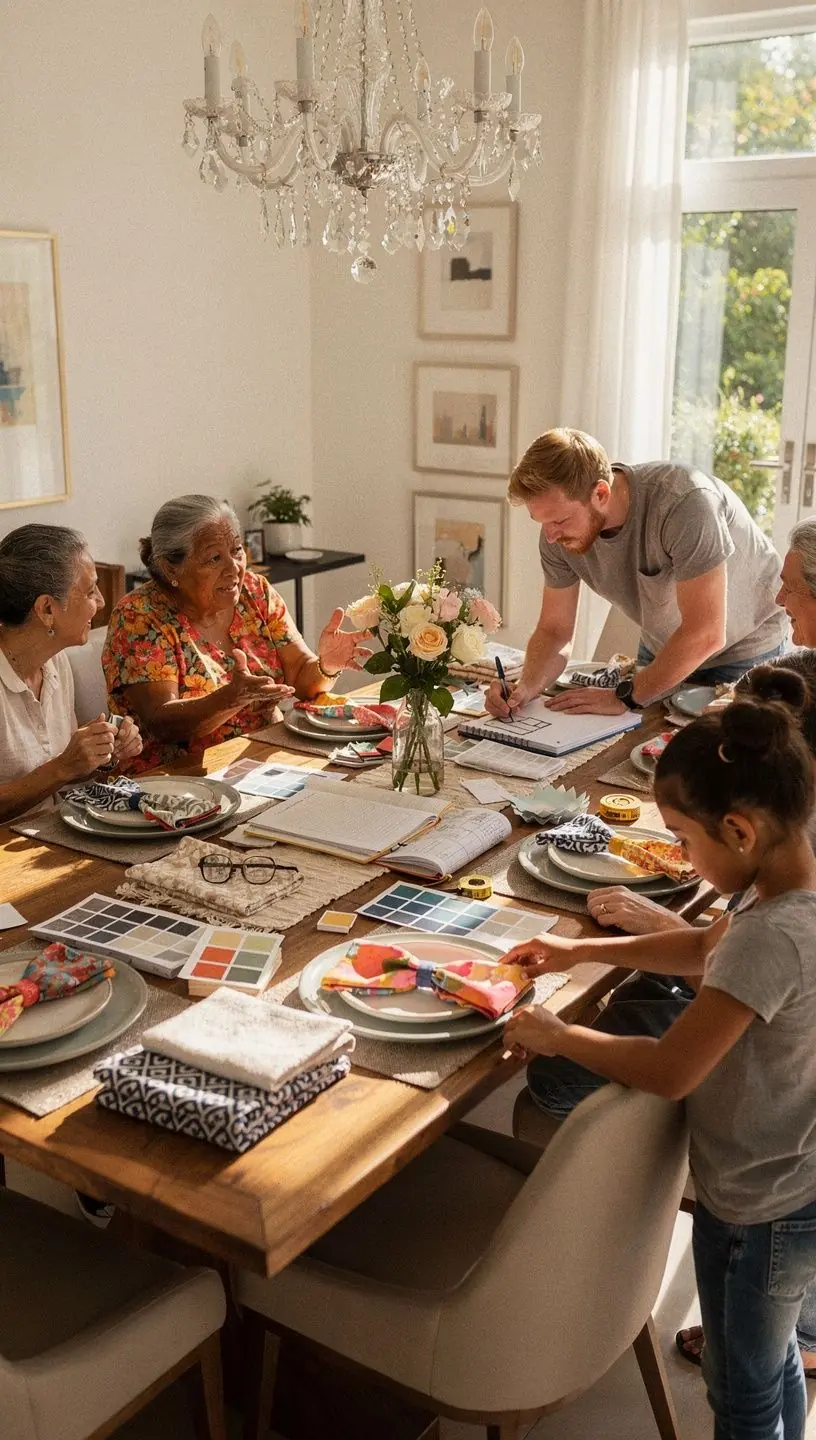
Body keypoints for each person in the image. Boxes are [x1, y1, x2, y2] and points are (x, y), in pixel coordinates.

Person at [504, 669, 816, 1439]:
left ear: (738, 830)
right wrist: (579, 951)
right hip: (790, 1183)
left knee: (741, 1391)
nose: (681, 852)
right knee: (771, 1361)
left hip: (758, 1207)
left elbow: (673, 1069)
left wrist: (560, 1036)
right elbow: (704, 949)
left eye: (683, 840)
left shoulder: (770, 937)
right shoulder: (780, 887)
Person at [485, 429, 787, 720]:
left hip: (743, 648)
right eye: (541, 522)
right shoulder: (558, 535)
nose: (550, 536)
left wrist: (624, 697)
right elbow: (555, 630)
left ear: (600, 493)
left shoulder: (685, 502)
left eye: (559, 521)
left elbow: (705, 632)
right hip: (665, 647)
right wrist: (525, 688)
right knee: (636, 746)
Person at [102, 495, 372, 772]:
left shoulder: (255, 591)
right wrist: (231, 698)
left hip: (261, 758)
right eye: (214, 558)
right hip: (175, 776)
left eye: (237, 550)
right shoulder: (139, 616)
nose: (234, 567)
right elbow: (162, 724)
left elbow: (301, 676)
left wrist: (326, 665)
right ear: (171, 567)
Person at [0, 525, 142, 822]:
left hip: (53, 830)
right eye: (90, 591)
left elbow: (64, 778)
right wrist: (64, 766)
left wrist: (102, 752)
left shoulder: (55, 662)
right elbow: (59, 771)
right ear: (47, 609)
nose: (101, 602)